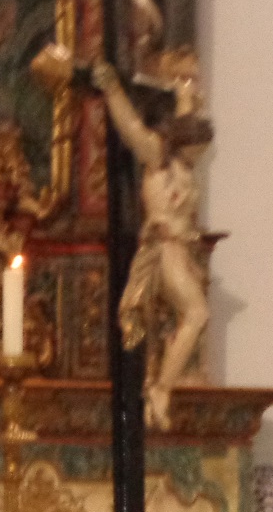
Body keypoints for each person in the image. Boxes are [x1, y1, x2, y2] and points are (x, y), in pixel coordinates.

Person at [91, 59, 213, 430]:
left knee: (189, 317)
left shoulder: (184, 166)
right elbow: (131, 128)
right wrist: (113, 89)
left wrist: (185, 96)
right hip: (164, 249)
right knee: (196, 313)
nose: (199, 153)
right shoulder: (158, 157)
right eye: (196, 145)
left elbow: (186, 121)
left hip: (180, 250)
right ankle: (161, 389)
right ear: (183, 139)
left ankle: (160, 385)